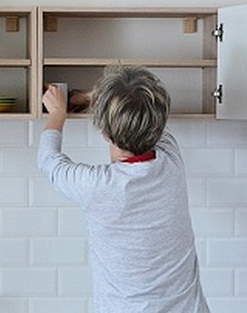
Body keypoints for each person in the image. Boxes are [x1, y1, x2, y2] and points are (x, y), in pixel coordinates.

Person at [37, 65, 210, 313]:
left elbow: (48, 161)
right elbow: (148, 115)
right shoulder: (170, 159)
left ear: (105, 133)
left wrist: (57, 113)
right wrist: (95, 98)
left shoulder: (98, 187)